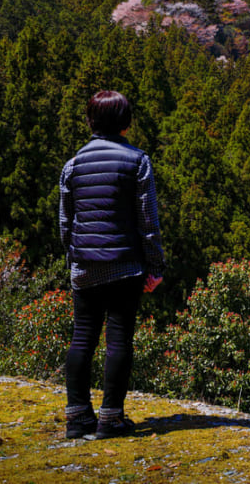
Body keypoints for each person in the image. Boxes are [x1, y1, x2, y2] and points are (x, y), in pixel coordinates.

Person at [59, 90, 165, 440]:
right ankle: (111, 419)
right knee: (119, 340)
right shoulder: (137, 161)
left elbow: (65, 222)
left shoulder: (72, 165)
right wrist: (155, 267)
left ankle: (77, 419)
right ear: (126, 122)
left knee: (82, 339)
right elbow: (147, 221)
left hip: (84, 266)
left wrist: (74, 258)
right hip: (125, 267)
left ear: (90, 121)